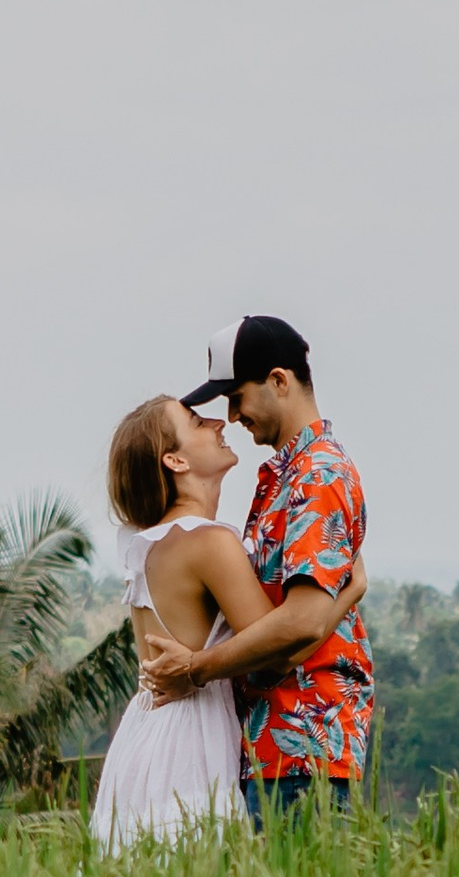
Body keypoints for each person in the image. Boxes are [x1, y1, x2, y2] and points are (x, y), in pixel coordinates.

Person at [90, 391, 365, 849]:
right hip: (189, 742)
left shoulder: (155, 543)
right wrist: (349, 589)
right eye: (197, 422)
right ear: (175, 461)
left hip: (145, 739)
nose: (219, 424)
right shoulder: (209, 542)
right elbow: (279, 652)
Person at [149, 314, 373, 816]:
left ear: (278, 381)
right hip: (271, 747)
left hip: (303, 745)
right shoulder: (284, 478)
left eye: (236, 397)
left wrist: (195, 669)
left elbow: (304, 621)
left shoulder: (318, 477)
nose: (230, 416)